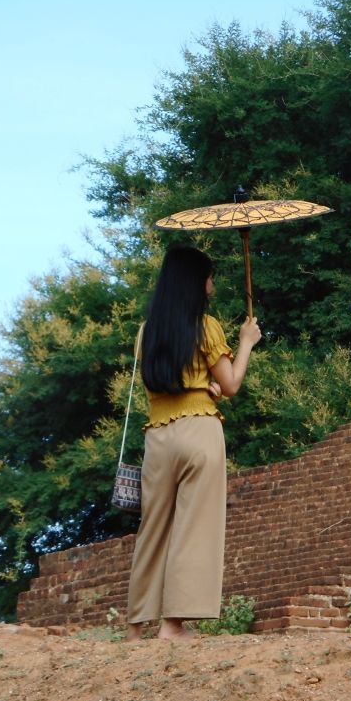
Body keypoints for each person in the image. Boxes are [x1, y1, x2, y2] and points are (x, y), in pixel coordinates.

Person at [126, 245, 261, 642]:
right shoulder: (206, 326)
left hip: (158, 437)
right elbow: (232, 383)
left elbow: (172, 383)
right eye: (208, 276)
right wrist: (247, 342)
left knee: (152, 529)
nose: (212, 284)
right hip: (199, 432)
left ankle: (135, 628)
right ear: (195, 282)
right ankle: (173, 625)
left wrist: (206, 389)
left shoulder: (146, 331)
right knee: (193, 526)